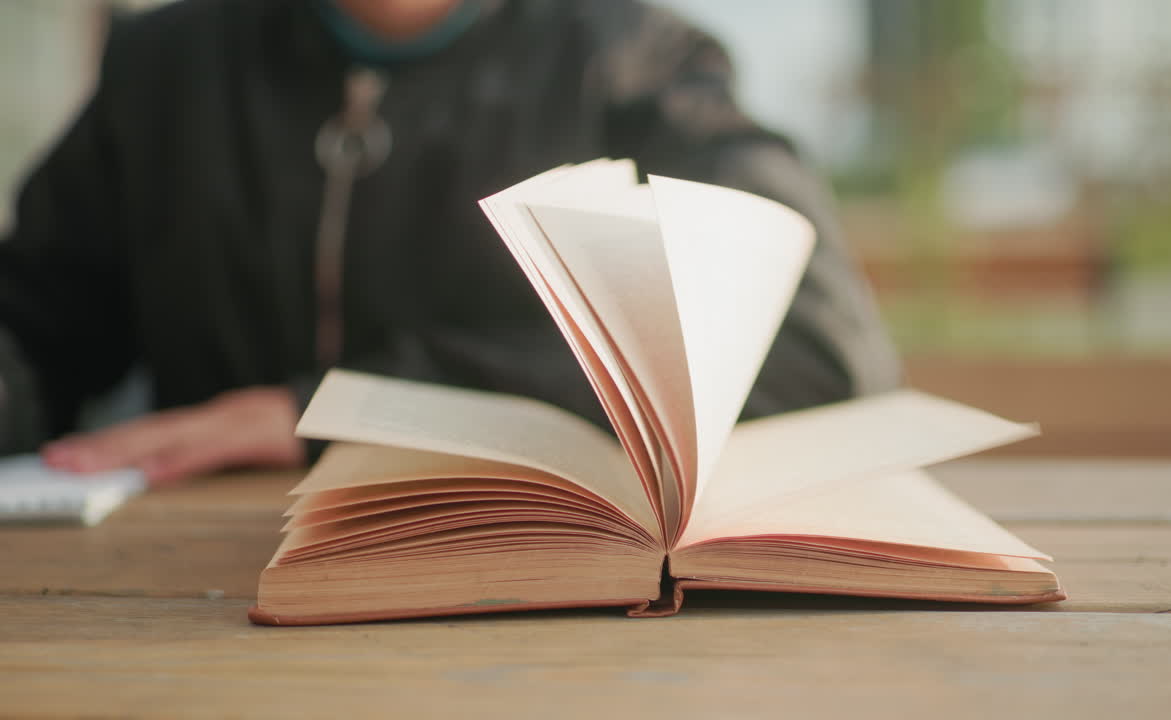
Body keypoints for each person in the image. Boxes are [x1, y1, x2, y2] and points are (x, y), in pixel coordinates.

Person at [0, 0, 899, 485]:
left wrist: (337, 408)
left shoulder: (636, 62)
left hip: (539, 618)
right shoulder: (167, 67)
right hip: (174, 606)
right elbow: (35, 324)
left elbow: (812, 341)